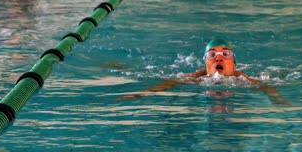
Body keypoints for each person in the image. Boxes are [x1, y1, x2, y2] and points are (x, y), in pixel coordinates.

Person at [117, 38, 289, 105]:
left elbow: (266, 87)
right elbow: (170, 83)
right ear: (206, 65)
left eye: (226, 54)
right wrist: (141, 94)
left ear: (234, 65)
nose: (219, 58)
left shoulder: (239, 76)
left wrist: (276, 98)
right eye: (212, 55)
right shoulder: (199, 76)